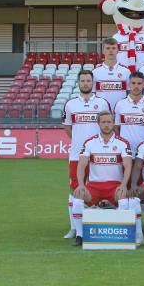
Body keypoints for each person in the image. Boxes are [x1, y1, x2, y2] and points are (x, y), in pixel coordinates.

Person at [70, 111, 138, 246]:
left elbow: (128, 166)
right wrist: (81, 185)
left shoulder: (122, 143)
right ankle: (80, 235)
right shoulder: (90, 142)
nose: (106, 125)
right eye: (103, 122)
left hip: (115, 186)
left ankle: (118, 233)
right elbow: (81, 165)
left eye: (109, 122)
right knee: (77, 200)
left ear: (113, 123)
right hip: (94, 186)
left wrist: (124, 185)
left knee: (124, 202)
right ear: (98, 123)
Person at [62, 70, 111, 239]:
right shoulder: (70, 104)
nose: (85, 83)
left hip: (98, 155)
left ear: (93, 82)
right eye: (82, 80)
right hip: (76, 156)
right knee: (75, 190)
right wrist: (79, 142)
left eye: (88, 80)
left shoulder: (103, 103)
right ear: (78, 83)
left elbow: (108, 126)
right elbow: (68, 128)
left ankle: (95, 222)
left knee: (95, 188)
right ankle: (74, 228)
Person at [113, 72, 144, 156]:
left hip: (143, 151)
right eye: (133, 83)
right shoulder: (120, 104)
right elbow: (116, 128)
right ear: (129, 84)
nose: (136, 86)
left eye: (139, 83)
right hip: (125, 151)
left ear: (143, 85)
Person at [92, 38, 131, 109]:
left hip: (121, 111)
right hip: (102, 112)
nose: (110, 50)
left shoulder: (126, 71)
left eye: (113, 48)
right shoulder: (95, 72)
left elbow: (129, 93)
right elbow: (92, 95)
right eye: (108, 48)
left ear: (117, 50)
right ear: (103, 51)